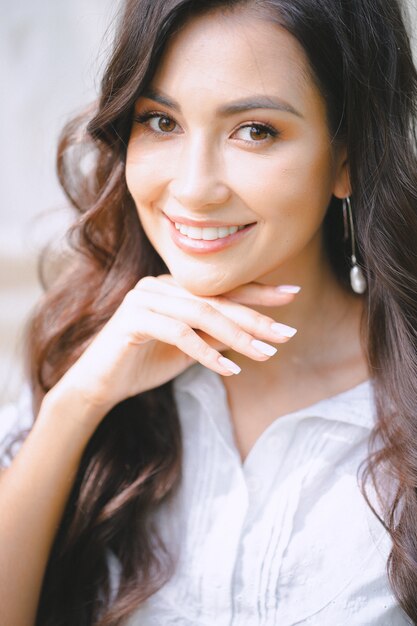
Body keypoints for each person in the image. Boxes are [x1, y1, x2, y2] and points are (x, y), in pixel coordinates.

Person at [1, 0, 417, 624]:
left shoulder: (399, 400)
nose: (194, 188)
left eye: (254, 130)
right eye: (160, 121)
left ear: (347, 155)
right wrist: (76, 403)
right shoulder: (87, 359)